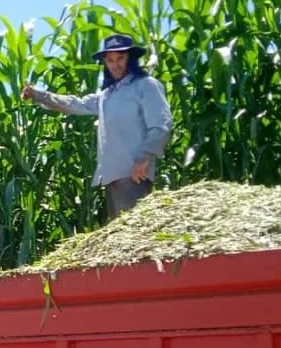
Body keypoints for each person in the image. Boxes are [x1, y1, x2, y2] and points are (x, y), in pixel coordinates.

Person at [22, 33, 173, 220]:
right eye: (110, 60)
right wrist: (38, 95)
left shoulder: (145, 85)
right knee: (121, 237)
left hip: (135, 175)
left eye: (120, 58)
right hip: (112, 178)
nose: (115, 64)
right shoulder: (106, 95)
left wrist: (144, 158)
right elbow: (74, 104)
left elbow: (161, 124)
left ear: (131, 58)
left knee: (134, 235)